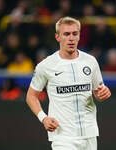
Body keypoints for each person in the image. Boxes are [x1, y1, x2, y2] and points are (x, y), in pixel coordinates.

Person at [26, 16, 111, 150]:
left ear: (79, 36)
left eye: (74, 34)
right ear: (57, 37)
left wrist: (104, 93)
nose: (71, 38)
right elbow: (31, 95)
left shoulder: (91, 61)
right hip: (62, 136)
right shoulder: (46, 65)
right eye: (66, 34)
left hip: (89, 133)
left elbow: (98, 92)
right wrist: (44, 118)